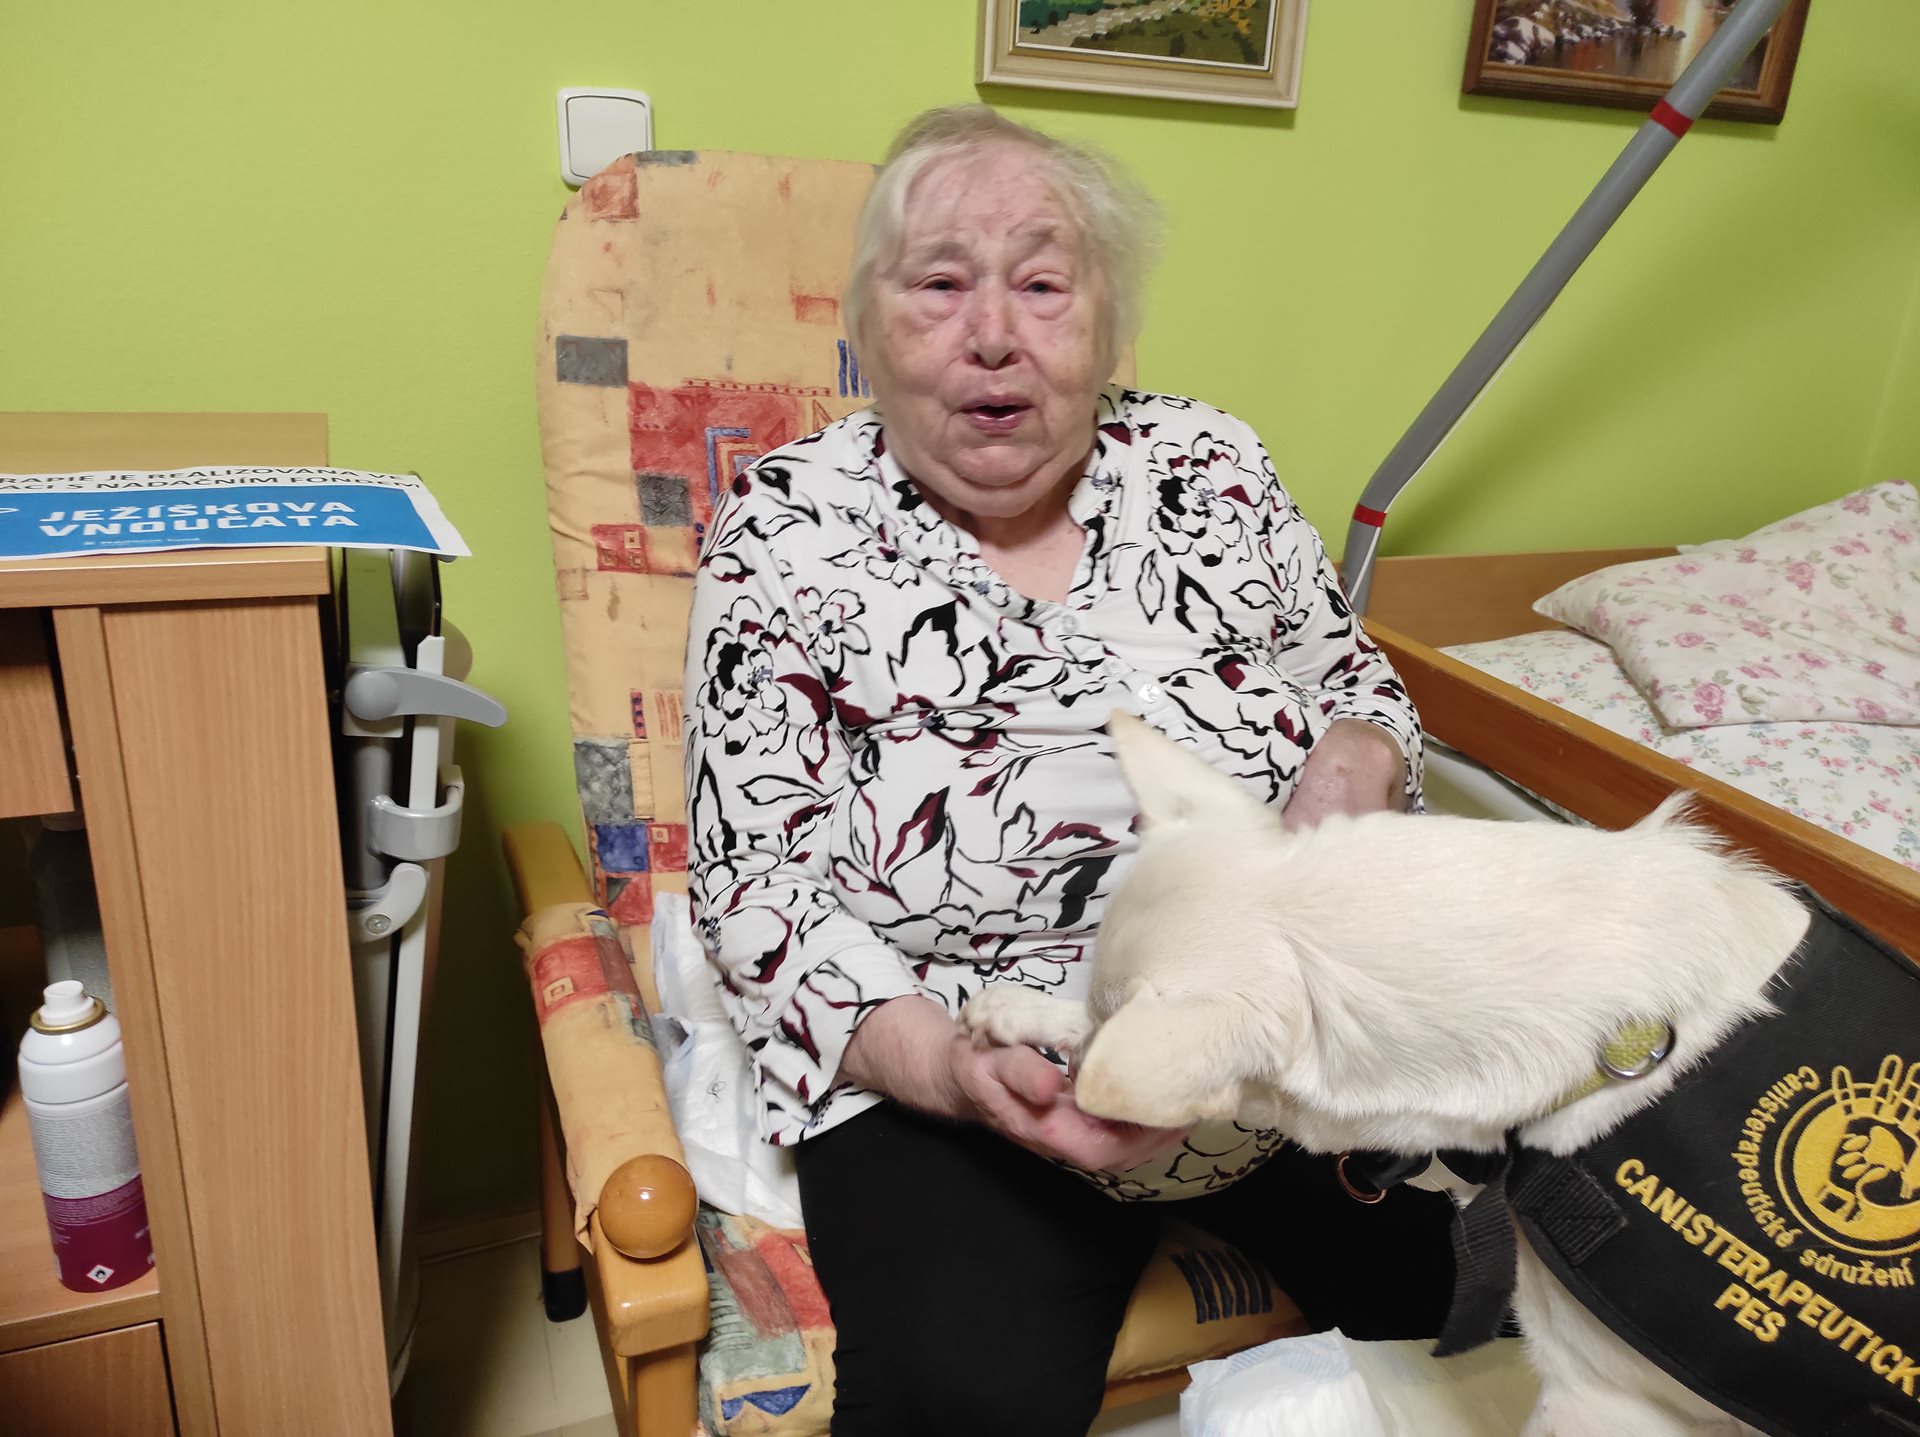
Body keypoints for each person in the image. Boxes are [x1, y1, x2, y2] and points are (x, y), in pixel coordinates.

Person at [685, 104, 1455, 1436]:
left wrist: (1363, 755)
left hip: (1281, 1053)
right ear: (866, 327)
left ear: (1109, 327)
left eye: (1043, 285)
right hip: (968, 1079)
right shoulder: (785, 526)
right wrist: (946, 1065)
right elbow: (753, 882)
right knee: (959, 1404)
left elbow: (1356, 685)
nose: (993, 333)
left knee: (1527, 1278)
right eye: (940, 284)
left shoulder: (1214, 466)